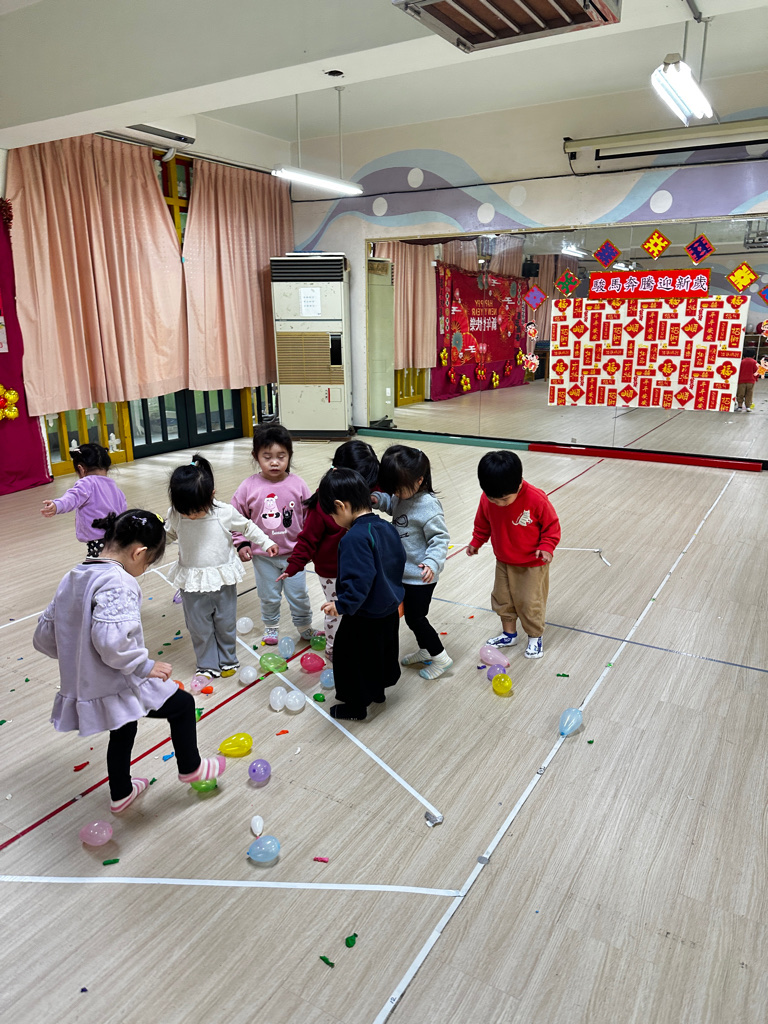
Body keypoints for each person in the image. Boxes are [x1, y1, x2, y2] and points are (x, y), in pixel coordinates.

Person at [32, 509, 226, 814]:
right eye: (147, 563)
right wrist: (144, 666)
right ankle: (191, 767)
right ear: (139, 553)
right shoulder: (119, 583)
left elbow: (44, 636)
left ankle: (121, 792)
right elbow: (112, 643)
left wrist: (76, 653)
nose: (143, 569)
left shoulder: (75, 575)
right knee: (182, 705)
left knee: (123, 726)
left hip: (90, 680)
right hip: (119, 678)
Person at [165, 454, 278, 686]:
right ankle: (206, 664)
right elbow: (168, 535)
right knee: (198, 627)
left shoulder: (224, 512)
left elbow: (247, 527)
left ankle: (228, 659)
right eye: (185, 510)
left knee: (225, 623)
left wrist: (266, 542)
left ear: (212, 495)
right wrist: (150, 545)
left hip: (223, 580)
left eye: (196, 510)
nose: (191, 515)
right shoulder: (176, 514)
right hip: (192, 582)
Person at [277, 439, 381, 661]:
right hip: (332, 572)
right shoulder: (323, 504)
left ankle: (354, 642)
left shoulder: (359, 490)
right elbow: (307, 539)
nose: (366, 488)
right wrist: (294, 565)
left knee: (358, 608)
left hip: (358, 566)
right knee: (337, 611)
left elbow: (384, 486)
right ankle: (334, 650)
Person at [318, 467, 405, 720]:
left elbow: (360, 579)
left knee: (349, 659)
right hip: (388, 610)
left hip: (364, 615)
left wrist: (341, 605)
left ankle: (355, 707)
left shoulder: (354, 537)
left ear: (340, 506)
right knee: (379, 655)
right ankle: (378, 693)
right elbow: (399, 560)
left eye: (332, 514)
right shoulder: (386, 527)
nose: (334, 520)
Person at [467, 450, 560, 660]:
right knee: (502, 599)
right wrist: (476, 541)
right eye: (493, 499)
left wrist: (547, 546)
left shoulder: (536, 498)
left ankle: (535, 636)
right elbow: (482, 524)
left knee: (529, 602)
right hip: (503, 560)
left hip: (532, 563)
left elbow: (552, 526)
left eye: (504, 499)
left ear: (518, 484)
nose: (498, 504)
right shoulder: (488, 498)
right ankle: (509, 635)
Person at [232, 425, 315, 646]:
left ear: (289, 455)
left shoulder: (298, 484)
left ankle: (304, 625)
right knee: (268, 595)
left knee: (299, 594)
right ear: (256, 456)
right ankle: (271, 625)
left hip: (294, 556)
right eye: (267, 457)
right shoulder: (248, 487)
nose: (274, 462)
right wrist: (241, 543)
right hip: (263, 558)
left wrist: (309, 547)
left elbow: (309, 518)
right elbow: (236, 518)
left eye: (281, 456)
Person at [375, 445, 452, 680]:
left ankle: (440, 657)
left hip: (421, 575)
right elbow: (392, 504)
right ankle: (425, 650)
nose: (396, 493)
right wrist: (377, 499)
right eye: (393, 489)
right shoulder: (402, 496)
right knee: (411, 618)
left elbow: (440, 539)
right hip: (405, 573)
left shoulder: (428, 505)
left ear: (419, 480)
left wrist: (432, 563)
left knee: (416, 618)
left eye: (399, 488)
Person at [40, 443, 127, 557]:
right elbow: (123, 512)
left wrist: (57, 505)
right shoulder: (115, 487)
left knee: (98, 566)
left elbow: (72, 497)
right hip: (117, 540)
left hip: (98, 543)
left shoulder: (87, 483)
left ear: (81, 469)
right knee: (114, 565)